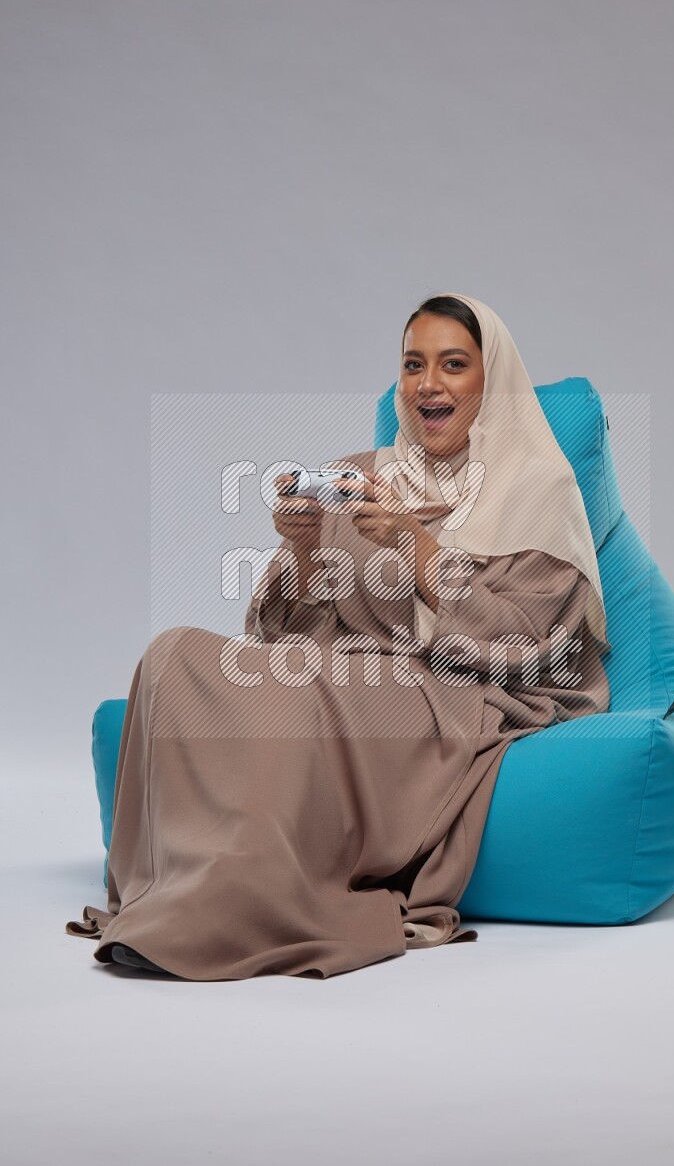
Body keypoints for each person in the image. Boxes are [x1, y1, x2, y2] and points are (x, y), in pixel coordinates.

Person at [65, 292, 611, 980]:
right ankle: (168, 889)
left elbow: (533, 641)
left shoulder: (537, 487)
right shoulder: (364, 473)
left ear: (490, 380)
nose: (428, 383)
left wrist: (414, 545)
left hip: (454, 689)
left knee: (302, 693)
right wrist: (298, 550)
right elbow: (284, 633)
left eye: (453, 364)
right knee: (174, 656)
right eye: (413, 364)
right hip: (337, 667)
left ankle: (238, 903)